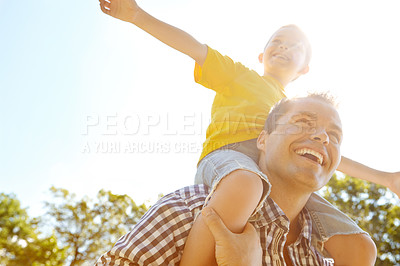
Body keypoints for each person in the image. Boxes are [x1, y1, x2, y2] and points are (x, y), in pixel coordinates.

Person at [98, 0, 399, 264]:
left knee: (360, 247)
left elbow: (325, 153)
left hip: (279, 176)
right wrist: (137, 15)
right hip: (230, 157)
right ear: (262, 54)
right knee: (245, 184)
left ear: (305, 68)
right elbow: (194, 48)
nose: (284, 47)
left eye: (296, 46)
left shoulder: (298, 114)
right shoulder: (240, 76)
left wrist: (385, 178)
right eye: (278, 42)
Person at [95, 94, 377, 265]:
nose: (322, 137)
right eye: (303, 122)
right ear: (263, 140)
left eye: (335, 136)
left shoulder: (324, 258)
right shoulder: (190, 210)